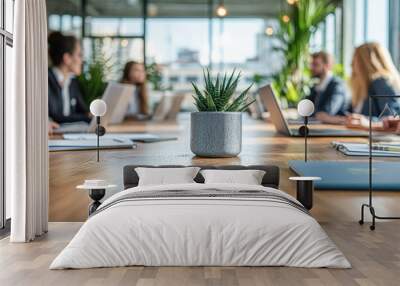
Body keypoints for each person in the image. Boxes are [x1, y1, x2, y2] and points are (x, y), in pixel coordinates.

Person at [48, 31, 90, 124]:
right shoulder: (46, 80)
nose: (82, 60)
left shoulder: (72, 81)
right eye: (79, 55)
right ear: (67, 58)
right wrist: (85, 118)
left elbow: (83, 110)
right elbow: (56, 117)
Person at [307, 51, 349, 124]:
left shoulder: (337, 85)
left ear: (327, 66)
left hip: (334, 130)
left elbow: (327, 113)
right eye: (312, 64)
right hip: (318, 126)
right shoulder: (317, 86)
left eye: (316, 65)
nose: (312, 68)